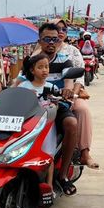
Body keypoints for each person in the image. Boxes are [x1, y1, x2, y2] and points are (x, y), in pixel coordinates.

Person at [21, 23, 80, 195]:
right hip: (32, 106)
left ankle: (63, 176)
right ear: (40, 40)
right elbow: (19, 81)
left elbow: (69, 79)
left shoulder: (65, 60)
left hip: (55, 104)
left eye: (55, 39)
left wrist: (67, 89)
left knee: (71, 123)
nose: (51, 43)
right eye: (47, 39)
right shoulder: (32, 61)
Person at [50, 19, 99, 169]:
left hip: (66, 93)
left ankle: (84, 153)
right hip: (42, 94)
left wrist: (72, 94)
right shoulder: (40, 50)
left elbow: (79, 76)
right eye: (57, 29)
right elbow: (25, 74)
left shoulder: (72, 51)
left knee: (82, 109)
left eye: (64, 29)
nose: (60, 32)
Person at [18, 53, 61, 193]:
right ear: (32, 70)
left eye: (47, 67)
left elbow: (56, 104)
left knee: (48, 154)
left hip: (45, 125)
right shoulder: (24, 85)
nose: (45, 70)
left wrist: (55, 104)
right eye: (40, 67)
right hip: (26, 123)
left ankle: (49, 186)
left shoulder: (51, 87)